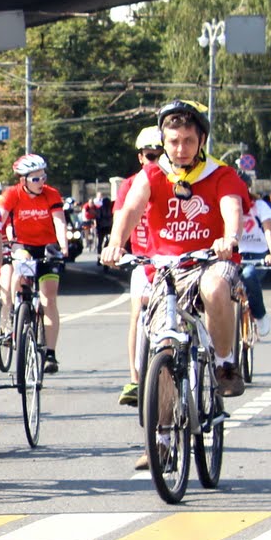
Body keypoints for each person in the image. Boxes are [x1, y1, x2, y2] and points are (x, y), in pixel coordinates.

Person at [101, 100, 250, 424]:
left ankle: (224, 364)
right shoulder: (153, 174)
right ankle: (163, 438)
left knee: (214, 287)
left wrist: (230, 237)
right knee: (164, 345)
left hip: (211, 260)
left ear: (201, 142)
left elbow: (231, 209)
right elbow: (130, 209)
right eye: (173, 141)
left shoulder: (220, 174)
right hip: (166, 267)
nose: (180, 149)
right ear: (164, 142)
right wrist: (115, 243)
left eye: (188, 141)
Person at [0, 152, 69, 372]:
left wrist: (63, 246)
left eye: (43, 177)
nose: (41, 182)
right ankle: (15, 318)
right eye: (35, 179)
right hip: (23, 245)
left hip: (47, 247)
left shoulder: (51, 194)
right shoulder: (12, 194)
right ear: (23, 180)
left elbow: (59, 221)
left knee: (49, 298)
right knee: (18, 276)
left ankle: (51, 354)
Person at [113, 125, 166, 407]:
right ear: (140, 157)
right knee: (138, 312)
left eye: (161, 154)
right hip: (143, 260)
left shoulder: (177, 181)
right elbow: (122, 216)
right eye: (149, 155)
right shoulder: (130, 185)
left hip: (173, 260)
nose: (155, 161)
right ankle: (135, 378)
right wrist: (115, 246)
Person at [237, 181, 271, 338]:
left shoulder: (259, 206)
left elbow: (268, 231)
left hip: (257, 255)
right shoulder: (225, 203)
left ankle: (260, 315)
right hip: (235, 255)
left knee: (248, 275)